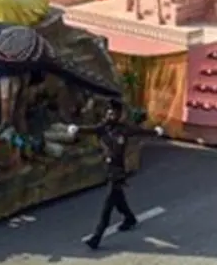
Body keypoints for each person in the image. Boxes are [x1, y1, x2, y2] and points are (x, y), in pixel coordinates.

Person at [68, 98, 163, 250]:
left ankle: (96, 237)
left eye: (113, 112)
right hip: (108, 169)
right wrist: (77, 129)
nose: (109, 114)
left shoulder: (123, 129)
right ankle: (130, 218)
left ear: (118, 115)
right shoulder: (103, 128)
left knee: (108, 206)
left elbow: (140, 131)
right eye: (108, 111)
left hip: (118, 172)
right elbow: (90, 129)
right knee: (118, 200)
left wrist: (156, 132)